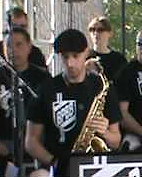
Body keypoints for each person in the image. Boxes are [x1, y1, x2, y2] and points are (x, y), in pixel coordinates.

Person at [25, 29, 121, 177]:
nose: (70, 63)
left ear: (86, 53)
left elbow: (116, 141)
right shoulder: (46, 89)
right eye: (65, 57)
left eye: (76, 56)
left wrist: (105, 133)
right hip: (56, 166)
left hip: (94, 166)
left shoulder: (102, 87)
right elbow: (31, 141)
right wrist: (54, 162)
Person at [0, 27, 50, 171]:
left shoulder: (42, 78)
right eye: (8, 46)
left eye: (19, 45)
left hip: (34, 143)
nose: (13, 50)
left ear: (29, 46)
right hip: (2, 144)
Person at [0, 7, 47, 75]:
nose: (19, 30)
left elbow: (44, 79)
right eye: (15, 26)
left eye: (23, 26)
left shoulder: (35, 53)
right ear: (8, 27)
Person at [86, 16, 127, 82]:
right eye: (92, 29)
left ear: (110, 33)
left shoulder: (119, 60)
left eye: (100, 30)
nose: (95, 33)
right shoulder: (84, 57)